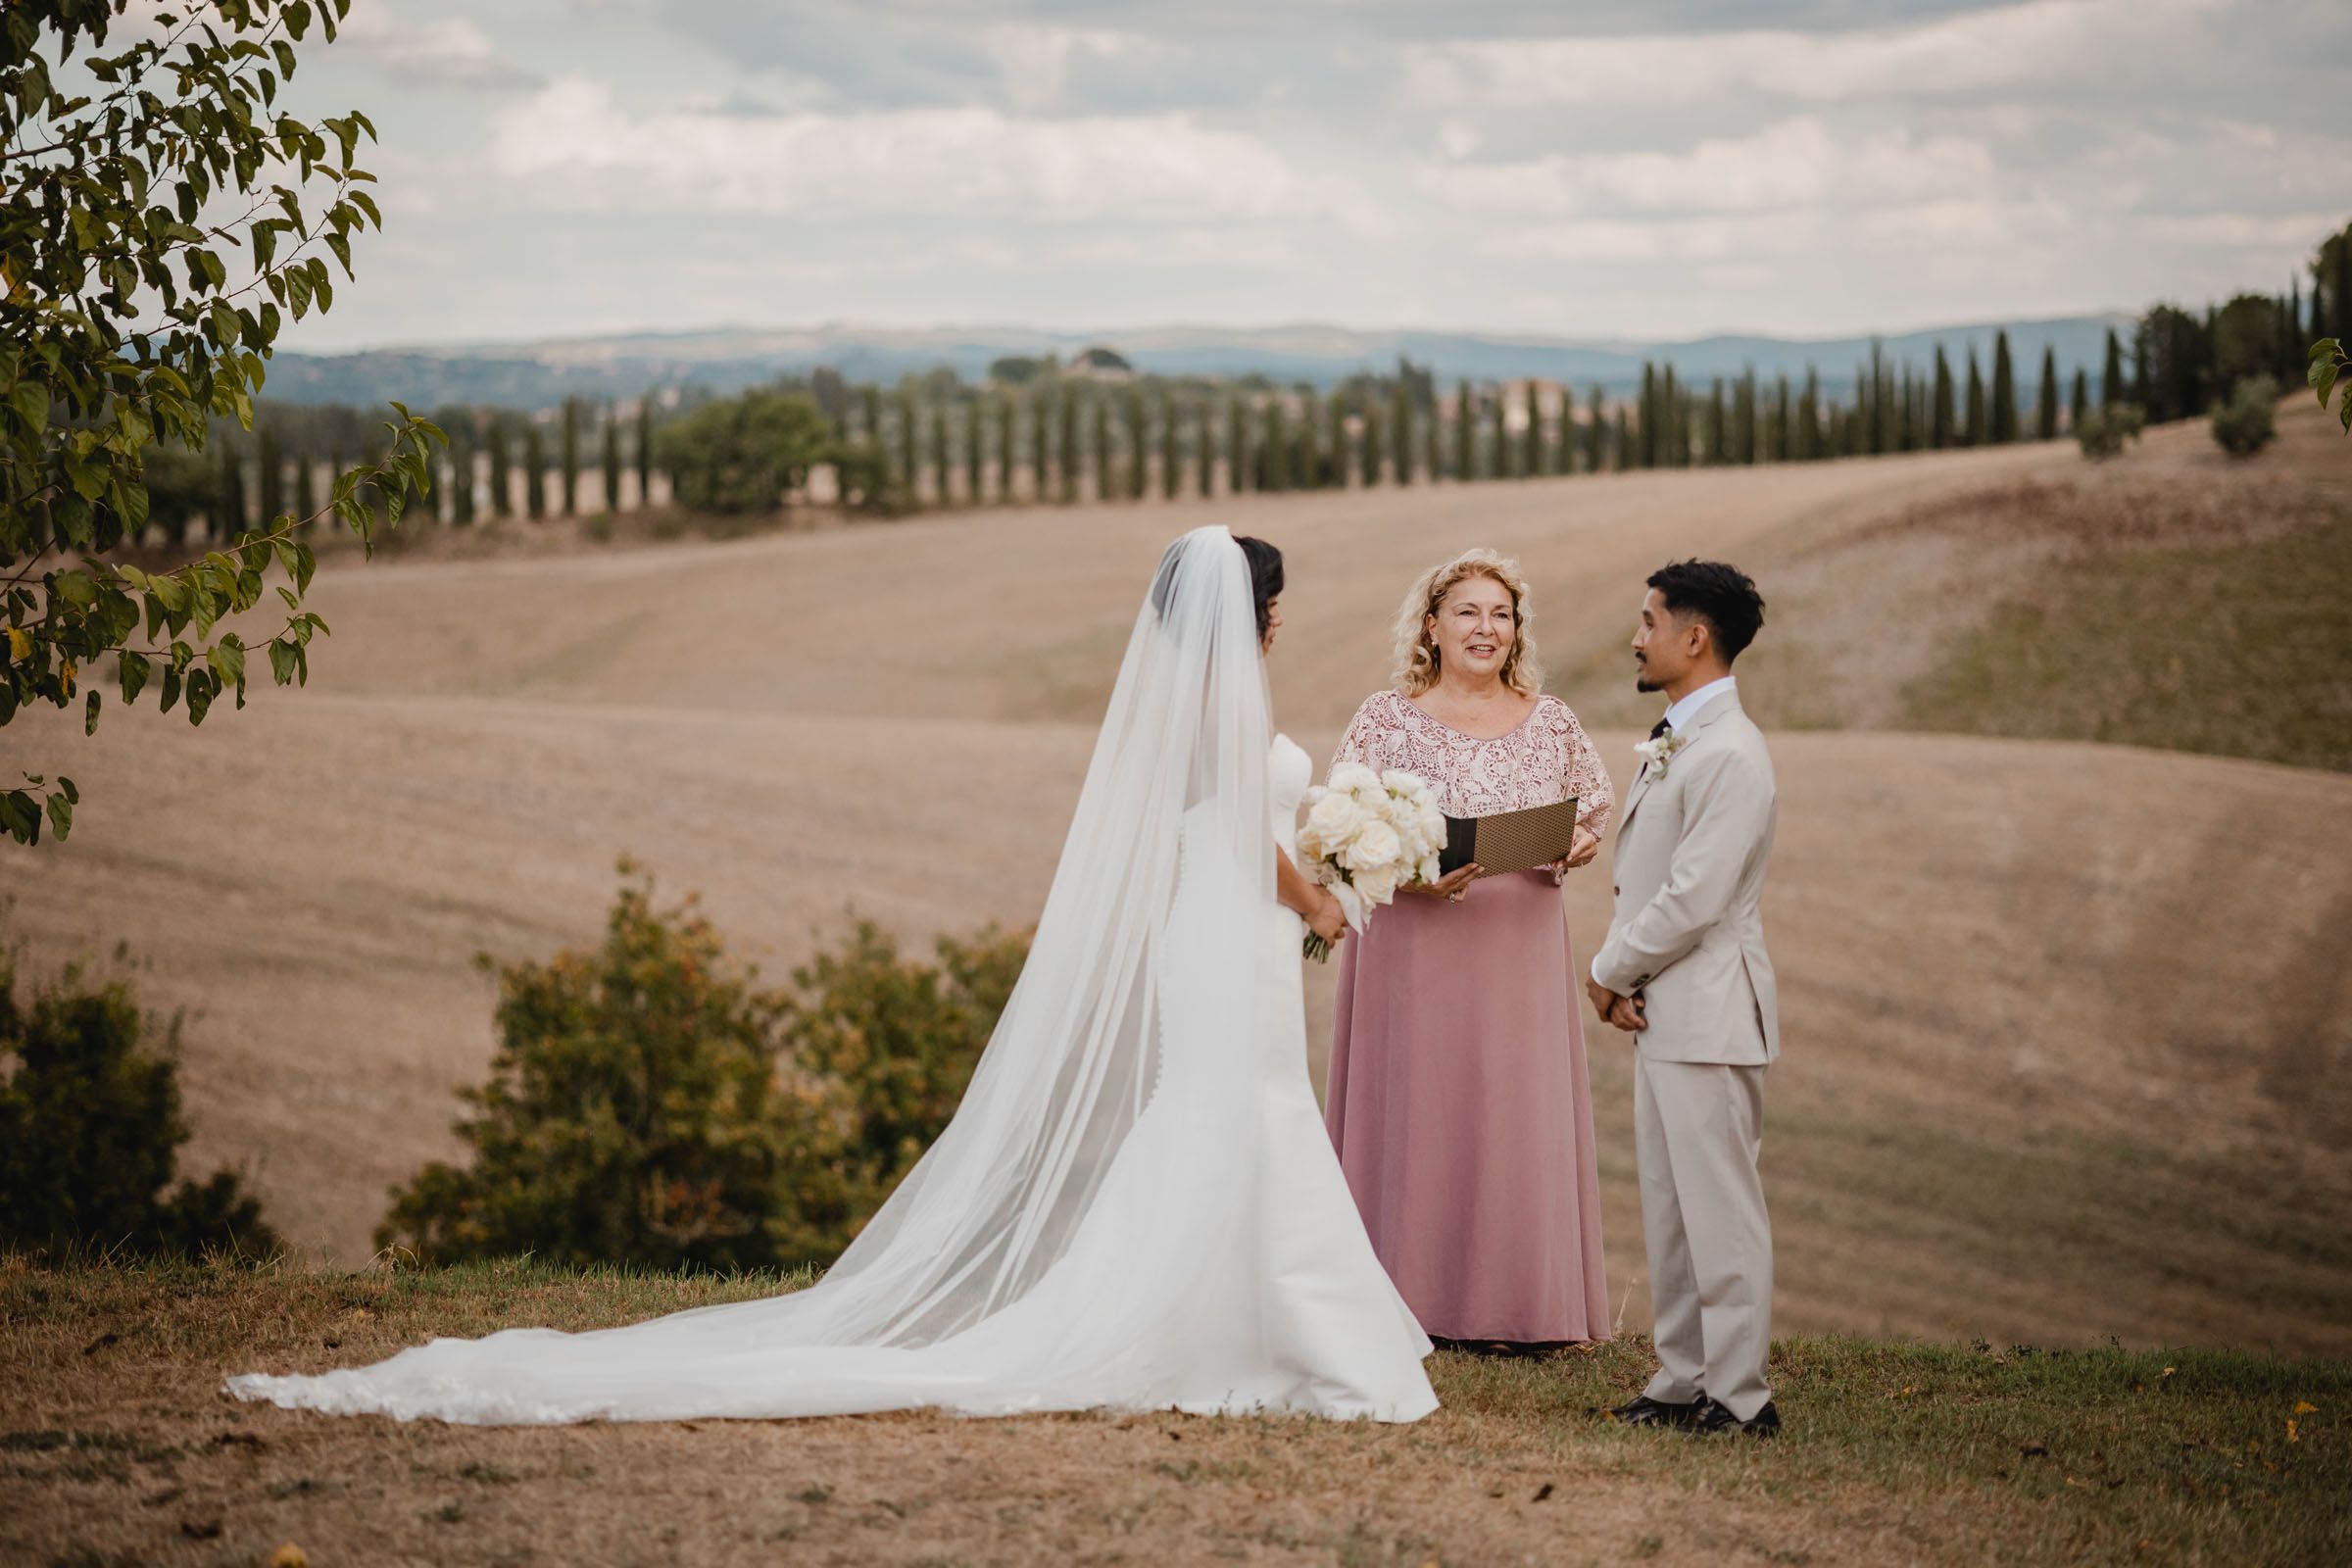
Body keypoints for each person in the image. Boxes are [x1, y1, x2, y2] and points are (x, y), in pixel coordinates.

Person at [228, 526, 1437, 1426]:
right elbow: (1235, 833)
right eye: (1273, 603)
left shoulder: (1194, 695)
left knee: (1234, 1112)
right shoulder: (1225, 697)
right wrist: (1323, 893)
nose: (1277, 620)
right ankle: (1252, 1332)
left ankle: (1246, 1320)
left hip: (1227, 941)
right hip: (1233, 936)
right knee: (1238, 1109)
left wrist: (1324, 868)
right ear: (1252, 613)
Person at [1323, 548, 1614, 1352]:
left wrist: (1581, 842)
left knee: (1512, 1108)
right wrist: (1413, 880)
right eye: (1468, 613)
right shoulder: (1385, 717)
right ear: (1432, 625)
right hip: (1415, 940)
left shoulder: (1551, 718)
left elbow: (1593, 804)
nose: (1486, 629)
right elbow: (1340, 827)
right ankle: (1403, 1301)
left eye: (1501, 615)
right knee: (1420, 1108)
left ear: (1517, 631)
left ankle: (1519, 1310)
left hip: (1517, 940)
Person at [1588, 559, 1780, 1438]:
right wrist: (1631, 980)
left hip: (1708, 1012)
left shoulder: (1733, 754)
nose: (1636, 636)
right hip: (1666, 1008)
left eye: (1648, 620)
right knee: (1669, 1206)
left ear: (1692, 638)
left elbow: (1695, 899)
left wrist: (1610, 968)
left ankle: (1741, 1398)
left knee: (1720, 1207)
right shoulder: (1683, 738)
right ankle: (1681, 1376)